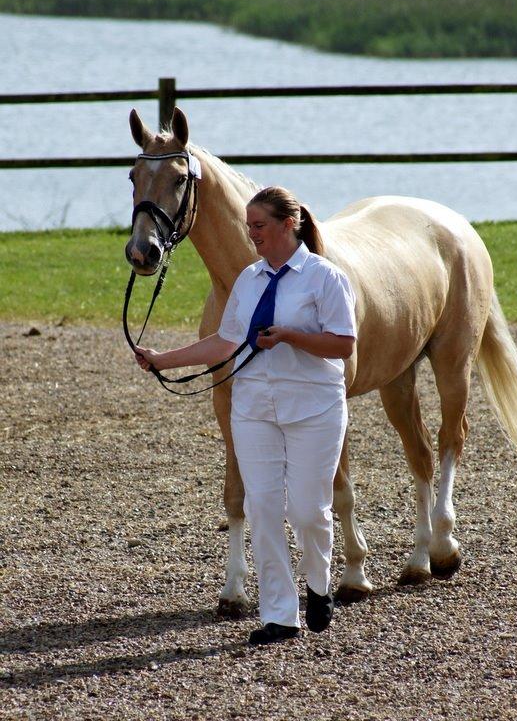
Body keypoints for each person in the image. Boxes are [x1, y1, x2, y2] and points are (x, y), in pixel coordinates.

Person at [135, 186, 357, 645]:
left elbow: (343, 345)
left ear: (287, 224)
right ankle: (280, 614)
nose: (251, 234)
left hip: (314, 406)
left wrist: (292, 336)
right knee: (262, 507)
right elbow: (224, 341)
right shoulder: (249, 280)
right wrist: (163, 359)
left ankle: (318, 584)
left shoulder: (325, 278)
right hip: (253, 407)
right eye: (249, 225)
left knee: (307, 510)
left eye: (259, 225)